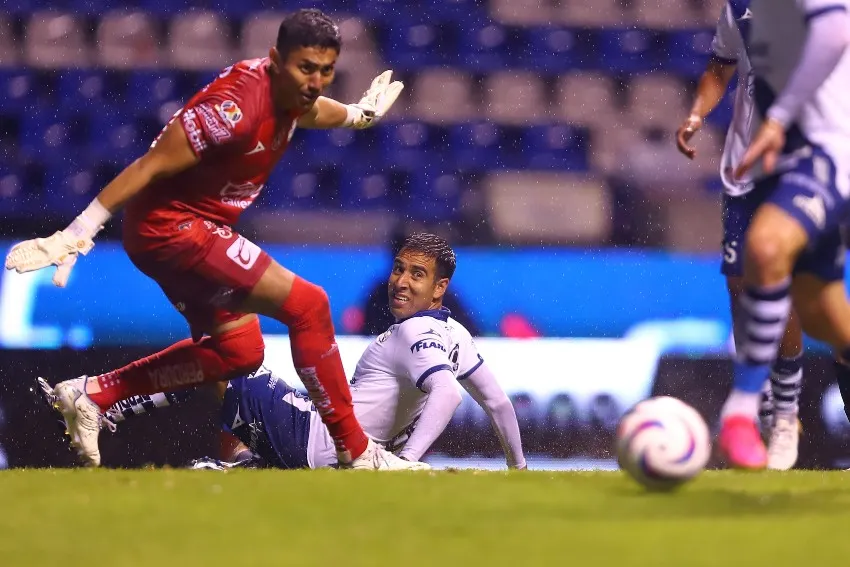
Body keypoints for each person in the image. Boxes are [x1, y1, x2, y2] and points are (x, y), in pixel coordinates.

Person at [5, 9, 416, 470]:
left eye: (325, 71)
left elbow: (310, 109)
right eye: (306, 68)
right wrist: (77, 232)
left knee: (239, 352)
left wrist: (357, 115)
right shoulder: (234, 109)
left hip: (184, 229)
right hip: (174, 228)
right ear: (276, 59)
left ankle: (92, 394)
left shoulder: (293, 93)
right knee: (309, 306)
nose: (315, 82)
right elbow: (152, 164)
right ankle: (356, 452)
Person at [40, 233, 527, 470]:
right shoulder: (456, 335)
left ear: (440, 288)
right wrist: (519, 469)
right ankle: (237, 470)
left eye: (415, 275)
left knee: (235, 361)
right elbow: (499, 405)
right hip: (334, 451)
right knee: (258, 381)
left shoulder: (411, 334)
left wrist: (406, 463)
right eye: (399, 268)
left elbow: (449, 395)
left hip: (321, 440)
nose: (399, 281)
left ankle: (103, 398)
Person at [714, 0, 850, 469]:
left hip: (833, 154)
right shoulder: (747, 10)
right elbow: (727, 64)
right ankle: (773, 414)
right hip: (797, 162)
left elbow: (834, 30)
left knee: (767, 247)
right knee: (822, 315)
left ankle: (744, 411)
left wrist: (777, 119)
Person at [675, 0, 803, 470]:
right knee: (739, 286)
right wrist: (697, 114)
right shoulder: (741, 7)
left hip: (799, 168)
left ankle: (784, 413)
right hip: (743, 170)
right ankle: (762, 400)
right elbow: (721, 66)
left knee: (775, 278)